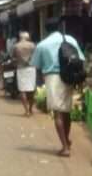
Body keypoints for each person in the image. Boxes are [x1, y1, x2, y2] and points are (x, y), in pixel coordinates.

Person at [31, 19, 82, 157]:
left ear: (47, 30)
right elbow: (81, 59)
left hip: (53, 77)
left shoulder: (42, 45)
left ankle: (65, 147)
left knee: (58, 113)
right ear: (59, 27)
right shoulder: (70, 40)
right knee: (66, 111)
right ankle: (66, 140)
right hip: (70, 77)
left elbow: (36, 65)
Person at [12, 31, 37, 116]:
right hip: (31, 68)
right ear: (28, 37)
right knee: (31, 89)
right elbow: (36, 55)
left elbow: (13, 57)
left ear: (20, 37)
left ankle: (26, 111)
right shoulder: (32, 45)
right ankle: (30, 109)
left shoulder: (16, 46)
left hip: (21, 68)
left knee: (22, 90)